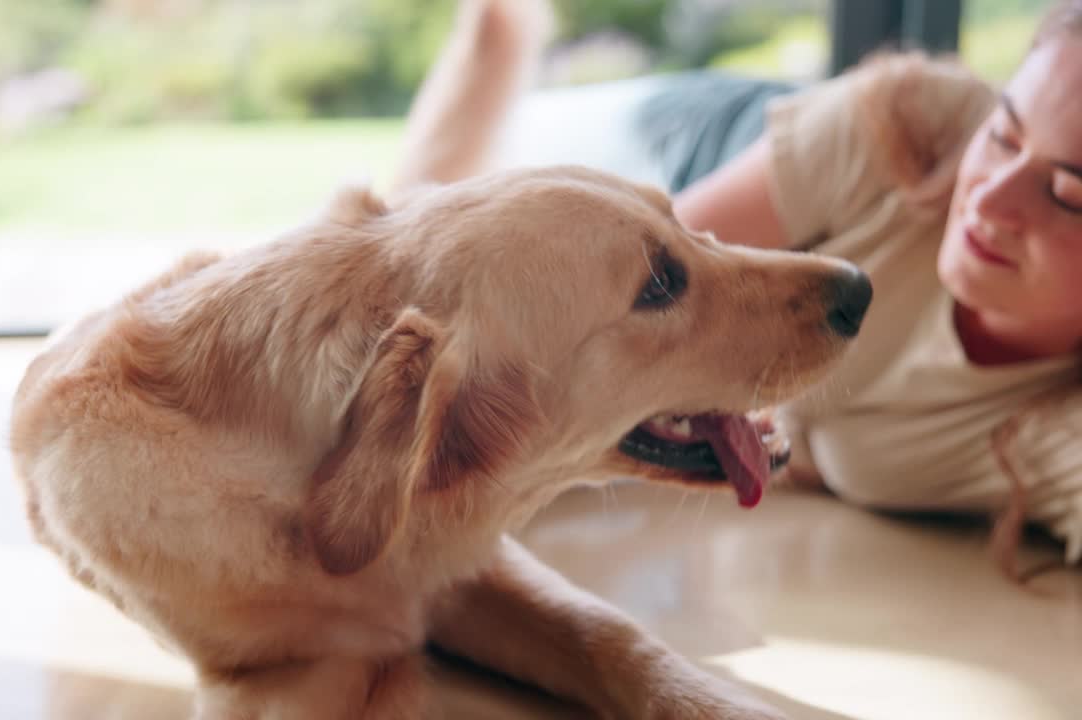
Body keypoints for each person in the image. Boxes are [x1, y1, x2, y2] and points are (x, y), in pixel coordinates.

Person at [395, 0, 1082, 577]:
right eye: (1002, 134)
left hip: (671, 279)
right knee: (415, 243)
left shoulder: (1059, 429)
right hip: (677, 158)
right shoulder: (908, 124)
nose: (991, 198)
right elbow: (635, 278)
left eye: (1067, 195)